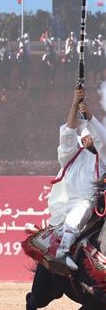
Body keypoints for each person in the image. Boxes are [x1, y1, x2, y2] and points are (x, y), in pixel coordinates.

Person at [47, 89, 106, 270]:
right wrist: (75, 103)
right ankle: (61, 252)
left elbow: (103, 140)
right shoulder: (69, 155)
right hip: (64, 208)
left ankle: (65, 249)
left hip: (92, 210)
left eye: (92, 135)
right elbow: (68, 132)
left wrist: (90, 117)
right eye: (87, 136)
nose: (91, 138)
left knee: (85, 205)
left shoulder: (103, 159)